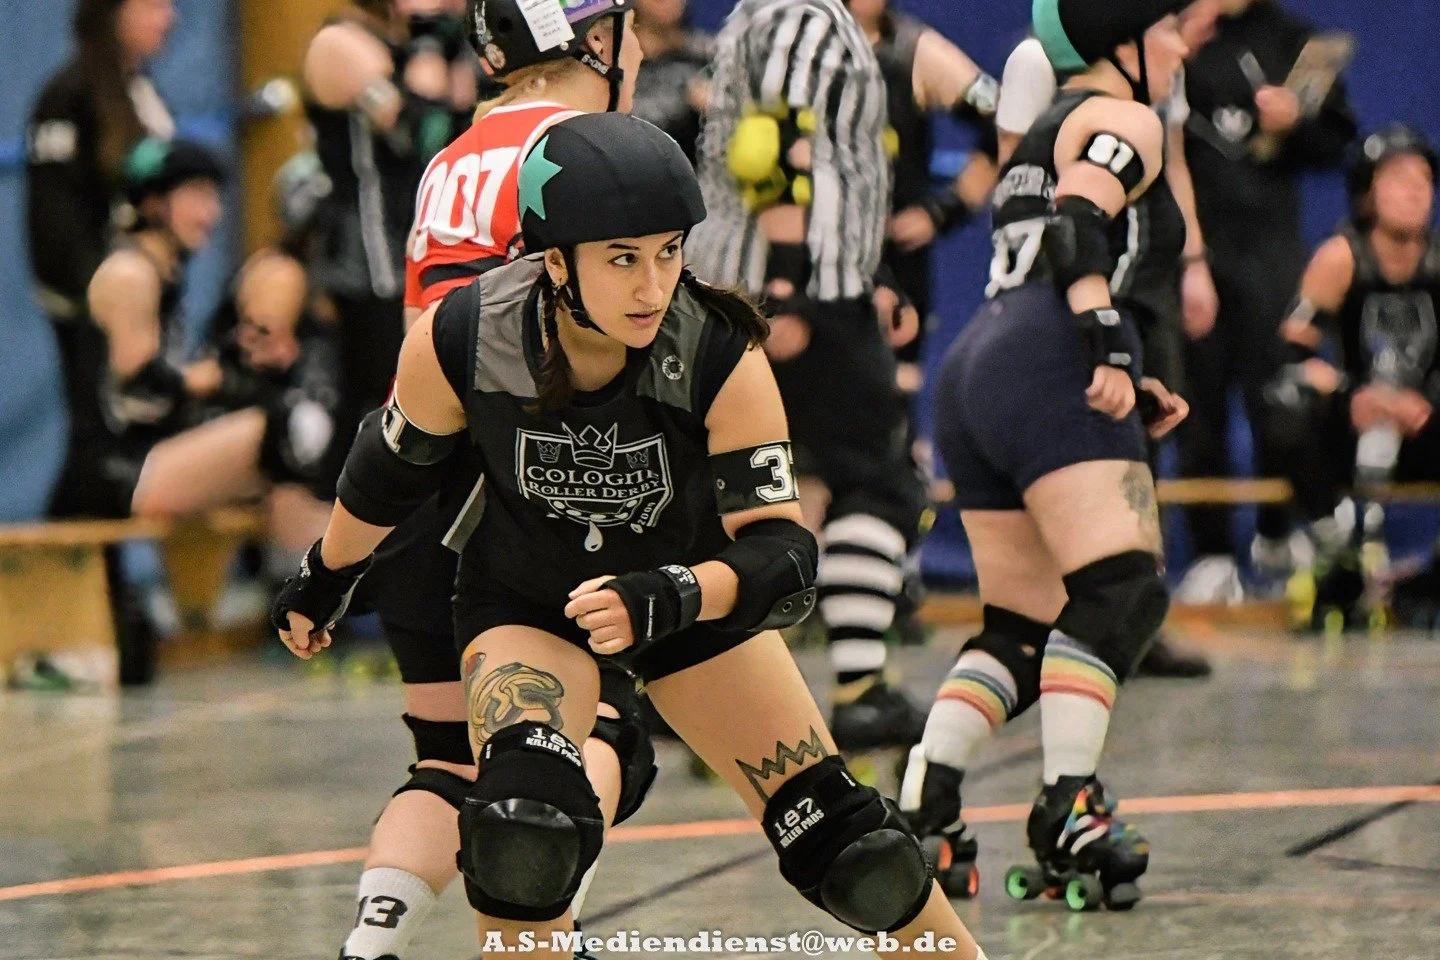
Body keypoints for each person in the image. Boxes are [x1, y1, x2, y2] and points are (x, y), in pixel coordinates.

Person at [272, 112, 992, 960]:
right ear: (553, 262)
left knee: (854, 852)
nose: (653, 287)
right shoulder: (467, 336)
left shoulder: (718, 352)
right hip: (529, 601)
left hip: (687, 598)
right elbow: (386, 472)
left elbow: (787, 558)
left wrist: (677, 593)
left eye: (668, 252)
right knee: (523, 832)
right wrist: (325, 576)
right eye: (622, 260)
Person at [304, 4, 656, 957]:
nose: (644, 43)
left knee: (447, 760)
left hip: (414, 480)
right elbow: (634, 340)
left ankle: (367, 948)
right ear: (586, 40)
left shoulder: (451, 154)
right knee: (606, 735)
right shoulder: (596, 149)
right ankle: (546, 932)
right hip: (532, 488)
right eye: (623, 26)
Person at [900, 0, 1193, 910]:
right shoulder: (1124, 116)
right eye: (1171, 27)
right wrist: (1106, 338)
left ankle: (927, 800)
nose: (1182, 43)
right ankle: (1070, 804)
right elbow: (1078, 225)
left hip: (979, 366)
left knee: (1021, 630)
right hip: (1050, 357)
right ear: (1125, 42)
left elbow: (1043, 232)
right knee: (1121, 591)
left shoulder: (1039, 133)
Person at [688, 0, 929, 750]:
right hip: (802, 293)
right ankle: (857, 687)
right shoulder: (807, 19)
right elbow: (780, 153)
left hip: (787, 281)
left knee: (771, 492)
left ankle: (732, 696)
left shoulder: (757, 14)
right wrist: (789, 290)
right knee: (878, 484)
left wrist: (873, 270)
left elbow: (819, 168)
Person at [1174, 0, 1357, 599]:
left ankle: (1277, 537)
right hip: (1194, 252)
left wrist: (1295, 122)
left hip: (1269, 253)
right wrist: (1187, 35)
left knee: (1277, 398)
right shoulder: (1171, 31)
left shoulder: (1291, 37)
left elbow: (1338, 141)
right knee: (1197, 402)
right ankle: (1212, 556)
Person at [1262, 125, 1440, 630]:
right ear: (1367, 192)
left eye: (1424, 178)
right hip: (1353, 422)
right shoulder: (1340, 257)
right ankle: (1334, 544)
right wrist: (1357, 395)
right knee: (1284, 404)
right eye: (1398, 177)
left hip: (1422, 424)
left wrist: (1421, 402)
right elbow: (1289, 359)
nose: (1415, 189)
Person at [302, 0, 466, 493]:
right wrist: (431, 41)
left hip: (420, 251)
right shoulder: (340, 43)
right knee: (378, 411)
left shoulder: (414, 44)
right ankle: (334, 552)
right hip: (369, 264)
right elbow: (417, 132)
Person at [629, 0, 713, 163]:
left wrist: (719, 109)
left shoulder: (707, 54)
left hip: (695, 177)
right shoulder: (614, 62)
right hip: (635, 174)